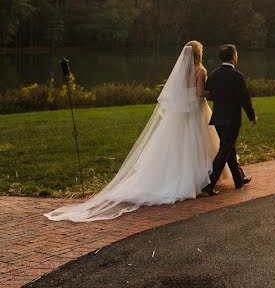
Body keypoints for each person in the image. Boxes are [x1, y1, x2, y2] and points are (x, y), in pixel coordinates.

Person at [45, 41, 229, 222]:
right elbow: (199, 94)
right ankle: (197, 180)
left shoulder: (182, 71)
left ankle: (179, 177)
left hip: (181, 113)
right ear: (199, 54)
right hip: (196, 111)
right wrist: (213, 93)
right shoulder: (200, 71)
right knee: (196, 143)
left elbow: (178, 92)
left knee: (179, 144)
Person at [203, 44, 256, 196]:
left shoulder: (213, 75)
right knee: (226, 149)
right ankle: (209, 183)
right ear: (233, 57)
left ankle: (239, 179)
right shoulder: (238, 76)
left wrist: (220, 99)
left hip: (218, 118)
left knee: (229, 147)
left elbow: (209, 94)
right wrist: (252, 115)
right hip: (232, 119)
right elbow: (245, 99)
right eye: (236, 54)